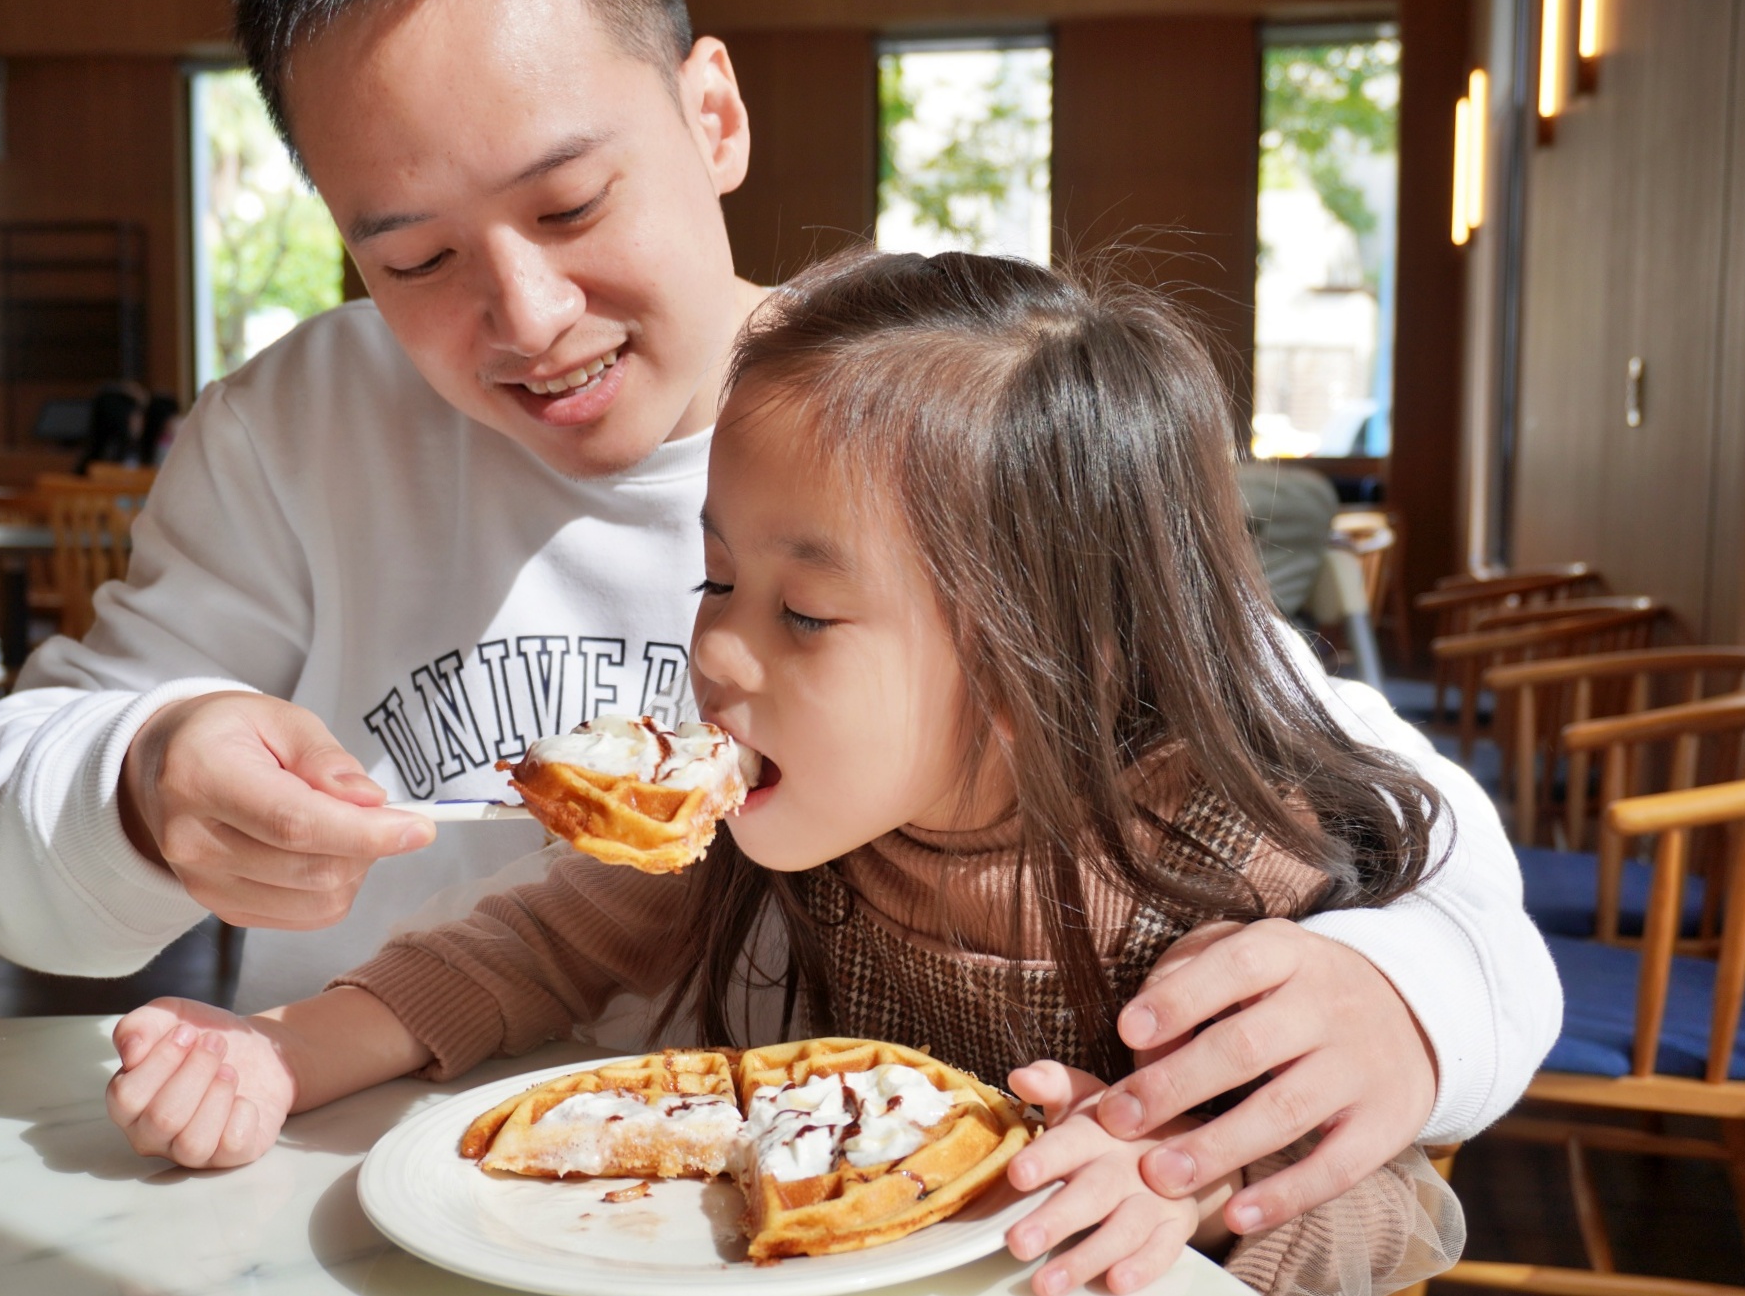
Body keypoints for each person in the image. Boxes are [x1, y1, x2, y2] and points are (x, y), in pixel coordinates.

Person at [0, 0, 1558, 1241]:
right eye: (413, 258)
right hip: (396, 1207)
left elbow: (1382, 825)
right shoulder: (288, 434)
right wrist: (147, 777)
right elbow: (26, 818)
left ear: (711, 114)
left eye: (571, 204)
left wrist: (1397, 1000)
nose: (526, 315)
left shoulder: (932, 429)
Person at [104, 252, 1471, 1295]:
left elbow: (1389, 1213)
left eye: (801, 614)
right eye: (712, 576)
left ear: (1032, 664)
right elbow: (525, 945)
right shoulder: (768, 828)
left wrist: (1196, 1184)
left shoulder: (1221, 886)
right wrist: (279, 1053)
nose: (715, 647)